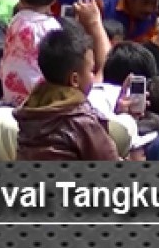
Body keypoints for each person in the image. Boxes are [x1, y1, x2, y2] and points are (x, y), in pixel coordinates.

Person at [14, 20, 119, 161]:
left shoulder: (28, 111)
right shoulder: (80, 119)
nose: (94, 77)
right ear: (74, 80)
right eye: (91, 70)